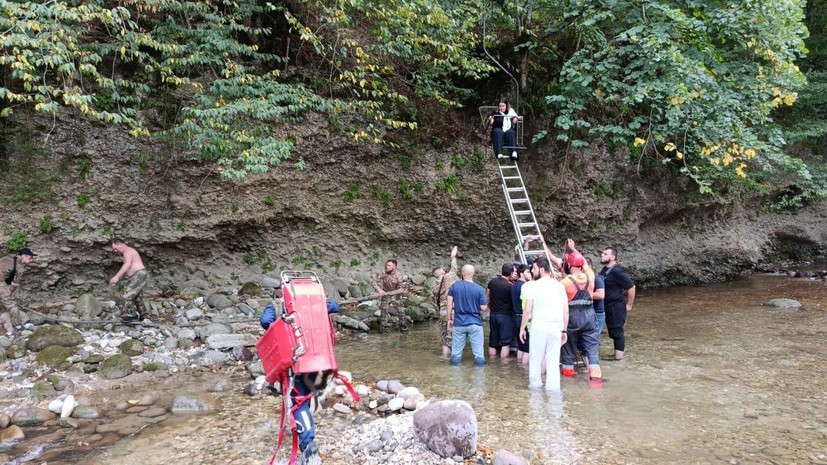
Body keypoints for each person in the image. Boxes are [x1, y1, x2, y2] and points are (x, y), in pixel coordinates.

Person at [260, 290, 341, 465]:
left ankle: (308, 444)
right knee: (307, 396)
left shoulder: (276, 305)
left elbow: (265, 321)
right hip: (319, 359)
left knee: (298, 402)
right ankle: (306, 425)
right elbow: (336, 306)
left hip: (296, 362)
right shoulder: (316, 302)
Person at [519, 257, 568, 390]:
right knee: (553, 360)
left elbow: (527, 310)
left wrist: (522, 328)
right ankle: (553, 390)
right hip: (555, 328)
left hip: (539, 326)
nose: (532, 271)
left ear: (541, 269)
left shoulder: (532, 286)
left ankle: (535, 389)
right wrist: (564, 330)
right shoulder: (559, 286)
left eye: (534, 269)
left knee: (535, 359)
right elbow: (565, 311)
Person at [559, 250, 602, 386]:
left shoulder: (565, 282)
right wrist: (574, 249)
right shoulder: (591, 277)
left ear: (570, 265)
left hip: (572, 316)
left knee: (568, 348)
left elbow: (560, 302)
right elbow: (585, 264)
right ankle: (595, 382)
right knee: (592, 350)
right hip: (589, 315)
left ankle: (569, 381)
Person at [447, 264, 488, 366]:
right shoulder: (479, 289)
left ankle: (455, 377)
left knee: (456, 354)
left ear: (462, 273)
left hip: (459, 323)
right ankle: (479, 378)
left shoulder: (454, 286)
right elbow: (483, 307)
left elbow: (449, 304)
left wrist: (449, 319)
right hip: (475, 323)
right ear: (473, 274)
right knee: (478, 354)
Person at [599, 247, 636, 361]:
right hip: (608, 306)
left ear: (612, 257)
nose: (602, 255)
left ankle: (619, 359)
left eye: (605, 253)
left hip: (616, 306)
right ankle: (616, 355)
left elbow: (631, 287)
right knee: (612, 332)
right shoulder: (605, 270)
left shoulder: (617, 271)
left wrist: (629, 305)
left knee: (617, 332)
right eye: (602, 253)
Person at [109, 238, 149, 323]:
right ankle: (144, 316)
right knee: (137, 298)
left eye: (116, 248)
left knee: (127, 296)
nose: (115, 251)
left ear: (120, 244)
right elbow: (128, 268)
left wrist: (116, 277)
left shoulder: (127, 251)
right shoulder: (128, 252)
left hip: (139, 274)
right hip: (138, 275)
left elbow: (127, 264)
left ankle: (132, 316)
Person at [0, 248, 36, 334]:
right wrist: (7, 291)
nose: (32, 260)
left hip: (3, 282)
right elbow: (14, 284)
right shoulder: (18, 266)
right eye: (30, 258)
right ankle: (18, 326)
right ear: (24, 256)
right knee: (11, 304)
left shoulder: (9, 259)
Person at [432, 246, 459, 358]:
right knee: (453, 337)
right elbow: (454, 268)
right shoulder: (448, 277)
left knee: (445, 338)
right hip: (451, 312)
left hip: (442, 312)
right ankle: (453, 360)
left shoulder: (434, 287)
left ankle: (444, 358)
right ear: (442, 272)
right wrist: (453, 255)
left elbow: (434, 303)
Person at [486, 264, 515, 359]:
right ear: (510, 274)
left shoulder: (492, 282)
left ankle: (492, 363)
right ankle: (503, 367)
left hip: (493, 314)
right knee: (505, 343)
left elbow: (487, 297)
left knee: (493, 342)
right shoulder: (510, 286)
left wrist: (490, 307)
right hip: (505, 316)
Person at [372, 259, 408, 333]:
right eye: (386, 265)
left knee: (401, 313)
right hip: (386, 294)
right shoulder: (383, 273)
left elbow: (402, 288)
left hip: (396, 295)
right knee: (383, 313)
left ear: (394, 266)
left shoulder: (399, 275)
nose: (386, 266)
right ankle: (384, 331)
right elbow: (373, 281)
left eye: (389, 265)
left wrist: (403, 291)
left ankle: (404, 330)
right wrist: (379, 290)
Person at [511, 264, 532, 364]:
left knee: (521, 345)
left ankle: (518, 366)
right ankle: (524, 370)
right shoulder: (525, 286)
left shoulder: (514, 284)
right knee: (527, 347)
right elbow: (526, 307)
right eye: (528, 272)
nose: (530, 273)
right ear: (522, 274)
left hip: (515, 317)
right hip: (523, 317)